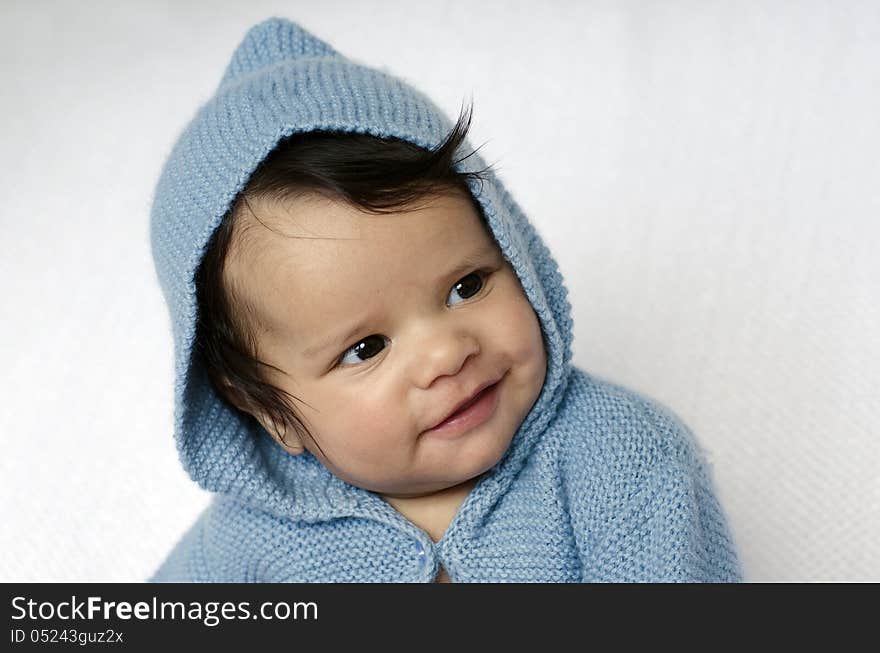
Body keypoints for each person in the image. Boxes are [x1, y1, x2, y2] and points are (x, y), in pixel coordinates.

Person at [149, 16, 742, 582]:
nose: (446, 354)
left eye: (467, 286)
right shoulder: (251, 538)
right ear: (273, 413)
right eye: (365, 348)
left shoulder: (620, 459)